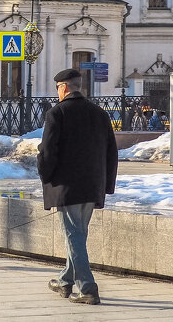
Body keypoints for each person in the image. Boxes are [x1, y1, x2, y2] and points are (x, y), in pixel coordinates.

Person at [37, 68, 118, 305]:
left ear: (63, 87)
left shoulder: (57, 113)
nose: (57, 93)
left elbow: (48, 152)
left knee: (73, 236)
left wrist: (45, 176)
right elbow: (111, 152)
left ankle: (87, 288)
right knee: (78, 235)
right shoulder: (100, 113)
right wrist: (106, 185)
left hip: (67, 187)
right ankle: (65, 281)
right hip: (92, 187)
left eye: (58, 89)